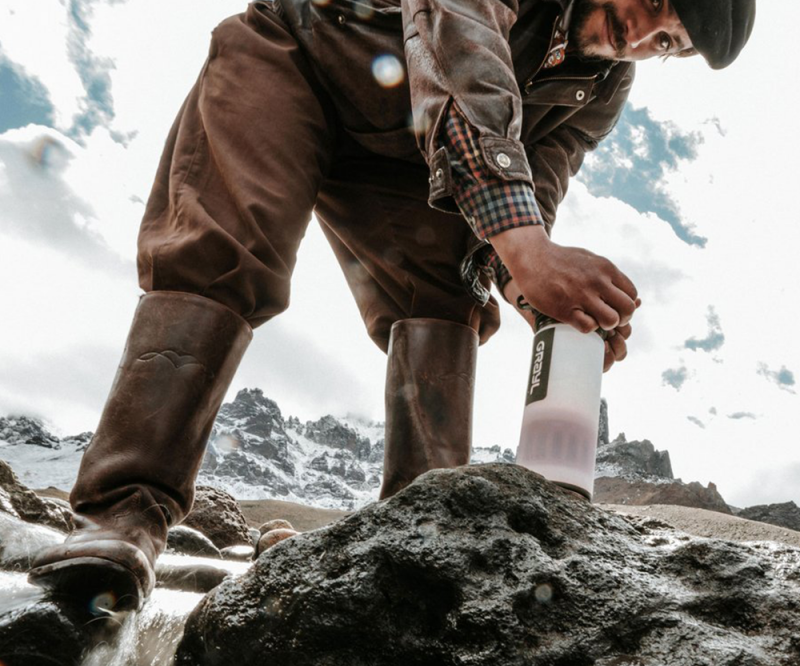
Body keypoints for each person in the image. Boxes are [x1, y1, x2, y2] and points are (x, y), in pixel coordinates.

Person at [28, 0, 755, 611]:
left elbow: (540, 181)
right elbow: (462, 60)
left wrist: (534, 291)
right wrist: (530, 254)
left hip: (409, 163)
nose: (647, 31)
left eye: (670, 42)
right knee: (221, 251)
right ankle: (121, 518)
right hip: (297, 56)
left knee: (449, 296)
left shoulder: (602, 87)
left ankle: (415, 547)